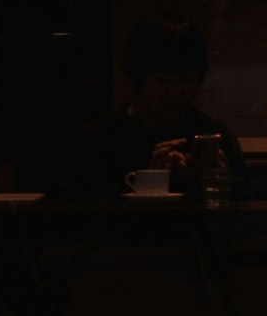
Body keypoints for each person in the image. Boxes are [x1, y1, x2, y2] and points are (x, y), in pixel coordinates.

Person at [99, 16, 238, 200]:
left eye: (187, 80)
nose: (176, 92)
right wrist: (148, 183)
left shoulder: (214, 135)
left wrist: (218, 183)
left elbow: (245, 213)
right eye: (163, 81)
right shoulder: (105, 138)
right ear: (138, 79)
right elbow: (78, 214)